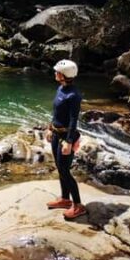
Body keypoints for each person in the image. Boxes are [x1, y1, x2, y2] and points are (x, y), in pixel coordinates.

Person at [45, 59, 86, 220]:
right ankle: (65, 199)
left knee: (64, 170)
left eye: (58, 72)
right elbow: (56, 112)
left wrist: (69, 142)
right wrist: (50, 128)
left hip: (66, 136)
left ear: (64, 75)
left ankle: (78, 205)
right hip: (57, 134)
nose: (55, 73)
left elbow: (73, 120)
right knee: (60, 167)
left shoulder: (74, 95)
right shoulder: (61, 88)